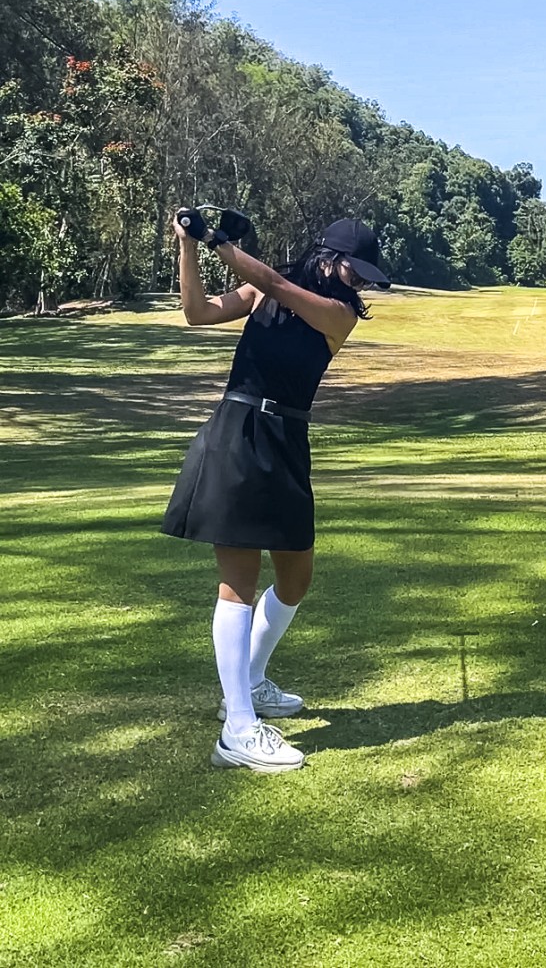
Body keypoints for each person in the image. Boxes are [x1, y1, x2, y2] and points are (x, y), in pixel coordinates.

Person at [162, 211, 390, 773]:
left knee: (296, 575)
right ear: (326, 257)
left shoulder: (338, 315)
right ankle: (238, 728)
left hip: (287, 438)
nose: (357, 282)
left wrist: (222, 241)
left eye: (362, 275)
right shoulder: (260, 291)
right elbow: (197, 314)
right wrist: (191, 246)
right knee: (238, 582)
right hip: (238, 434)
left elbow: (280, 286)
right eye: (350, 269)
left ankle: (252, 680)